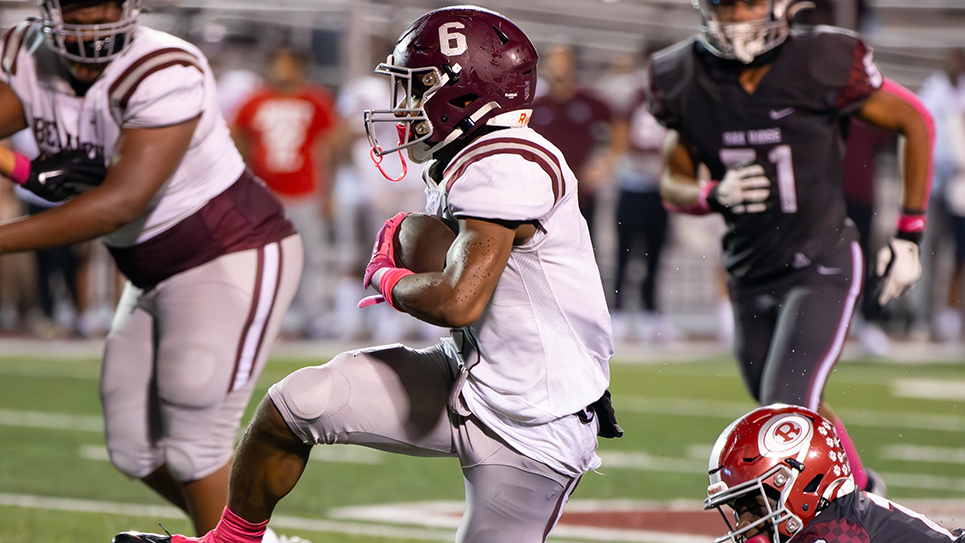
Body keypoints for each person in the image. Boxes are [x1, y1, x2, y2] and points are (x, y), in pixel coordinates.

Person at [114, 6, 618, 543]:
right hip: (471, 373)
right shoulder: (469, 154)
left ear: (467, 90)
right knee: (297, 403)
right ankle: (230, 541)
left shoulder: (506, 162)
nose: (403, 104)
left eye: (418, 85)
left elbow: (456, 302)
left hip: (534, 421)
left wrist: (384, 276)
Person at [0, 0, 302, 534]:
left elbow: (121, 203)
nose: (92, 20)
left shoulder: (165, 68)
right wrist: (19, 166)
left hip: (227, 250)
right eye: (79, 7)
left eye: (103, 6)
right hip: (150, 267)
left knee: (194, 445)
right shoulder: (27, 53)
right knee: (133, 447)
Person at [649, 0, 934, 495]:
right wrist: (710, 194)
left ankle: (830, 516)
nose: (738, 18)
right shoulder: (682, 73)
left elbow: (915, 121)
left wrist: (909, 233)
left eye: (749, 4)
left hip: (819, 261)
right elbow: (673, 178)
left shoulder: (821, 58)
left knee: (782, 412)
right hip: (747, 271)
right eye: (725, 6)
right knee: (778, 406)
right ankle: (865, 494)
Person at [705, 404, 965, 543]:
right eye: (740, 509)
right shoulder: (835, 520)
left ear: (802, 485)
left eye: (756, 505)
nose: (741, 525)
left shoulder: (834, 533)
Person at [232, 47, 338, 338]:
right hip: (266, 194)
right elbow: (237, 140)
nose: (282, 71)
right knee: (266, 258)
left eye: (287, 64)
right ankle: (268, 317)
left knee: (310, 257)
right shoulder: (254, 101)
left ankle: (313, 317)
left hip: (304, 192)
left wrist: (328, 193)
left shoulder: (314, 100)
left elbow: (328, 149)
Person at [530, 44, 617, 242]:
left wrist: (607, 161)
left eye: (563, 62)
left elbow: (618, 124)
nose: (559, 68)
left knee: (584, 243)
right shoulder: (536, 104)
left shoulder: (588, 101)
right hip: (543, 191)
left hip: (580, 190)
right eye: (554, 63)